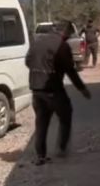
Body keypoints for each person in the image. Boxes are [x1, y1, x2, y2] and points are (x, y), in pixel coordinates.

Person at [25, 20, 91, 165]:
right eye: (68, 33)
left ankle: (40, 155)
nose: (69, 36)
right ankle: (61, 147)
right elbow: (70, 71)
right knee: (66, 115)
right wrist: (82, 89)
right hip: (53, 90)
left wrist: (38, 71)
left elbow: (28, 61)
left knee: (41, 122)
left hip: (36, 89)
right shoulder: (62, 46)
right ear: (65, 32)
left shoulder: (38, 41)